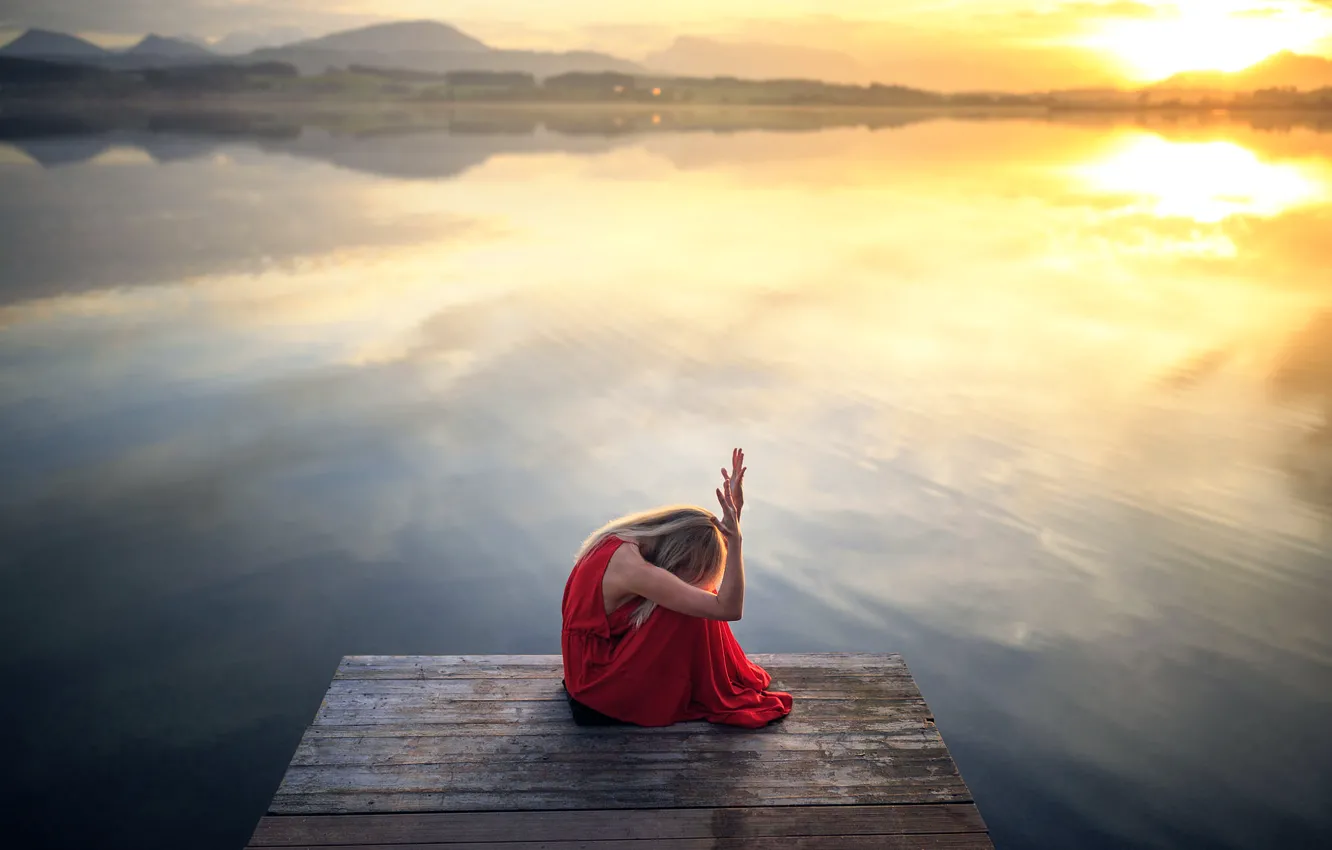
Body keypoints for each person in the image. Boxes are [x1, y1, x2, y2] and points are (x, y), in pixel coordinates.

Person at [560, 448, 793, 728]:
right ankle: (712, 687)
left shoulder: (626, 540)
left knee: (698, 601)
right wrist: (736, 541)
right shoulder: (633, 570)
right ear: (683, 556)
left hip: (588, 666)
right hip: (596, 686)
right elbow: (729, 609)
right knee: (696, 611)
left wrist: (733, 521)